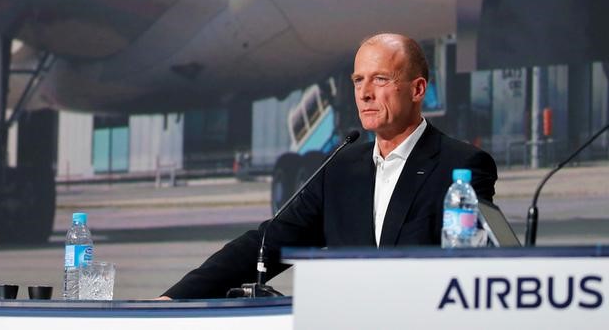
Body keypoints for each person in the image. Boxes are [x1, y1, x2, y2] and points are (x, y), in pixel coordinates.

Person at [160, 33, 498, 299]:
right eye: (358, 80)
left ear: (417, 89)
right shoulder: (341, 168)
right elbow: (267, 244)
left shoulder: (461, 165)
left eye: (380, 79)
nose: (364, 93)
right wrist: (175, 298)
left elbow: (478, 271)